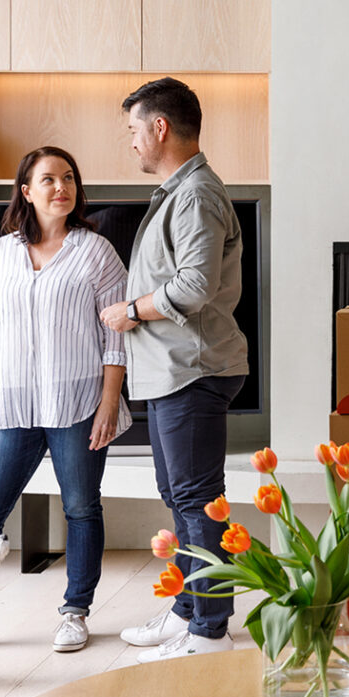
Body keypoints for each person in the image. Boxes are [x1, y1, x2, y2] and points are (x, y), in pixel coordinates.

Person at [0, 146, 129, 653]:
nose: (62, 187)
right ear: (27, 191)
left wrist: (108, 403)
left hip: (78, 405)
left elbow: (117, 341)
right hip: (10, 406)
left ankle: (75, 612)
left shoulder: (96, 252)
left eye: (70, 178)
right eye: (49, 179)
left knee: (80, 509)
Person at [102, 77, 248, 663]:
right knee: (181, 496)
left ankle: (210, 630)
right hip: (170, 371)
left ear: (160, 127)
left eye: (135, 130)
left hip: (192, 370)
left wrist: (131, 310)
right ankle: (190, 610)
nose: (132, 142)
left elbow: (194, 284)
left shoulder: (195, 196)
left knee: (197, 500)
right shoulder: (179, 192)